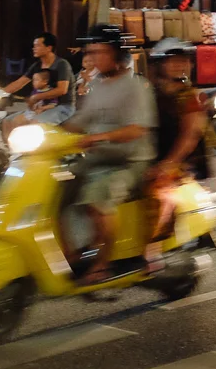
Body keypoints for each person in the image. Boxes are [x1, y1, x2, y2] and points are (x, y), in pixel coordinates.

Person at [60, 25, 157, 285]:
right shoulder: (99, 85)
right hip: (99, 157)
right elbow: (82, 119)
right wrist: (51, 132)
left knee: (98, 197)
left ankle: (103, 264)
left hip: (131, 161)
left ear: (116, 54)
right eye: (90, 52)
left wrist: (98, 137)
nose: (92, 58)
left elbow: (138, 129)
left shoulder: (136, 86)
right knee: (58, 189)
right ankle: (71, 255)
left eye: (99, 52)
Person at [143, 38, 210, 272]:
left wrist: (168, 164)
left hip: (181, 162)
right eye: (172, 61)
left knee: (162, 192)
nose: (179, 66)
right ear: (160, 65)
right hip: (149, 156)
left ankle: (153, 251)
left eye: (183, 61)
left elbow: (190, 137)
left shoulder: (188, 97)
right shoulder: (151, 92)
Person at [1, 32, 77, 137]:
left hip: (62, 106)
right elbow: (20, 82)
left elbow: (62, 90)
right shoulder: (37, 66)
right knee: (8, 121)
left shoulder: (62, 64)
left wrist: (36, 97)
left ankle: (31, 151)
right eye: (34, 45)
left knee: (34, 124)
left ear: (49, 48)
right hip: (40, 107)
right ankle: (11, 152)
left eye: (37, 45)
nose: (33, 48)